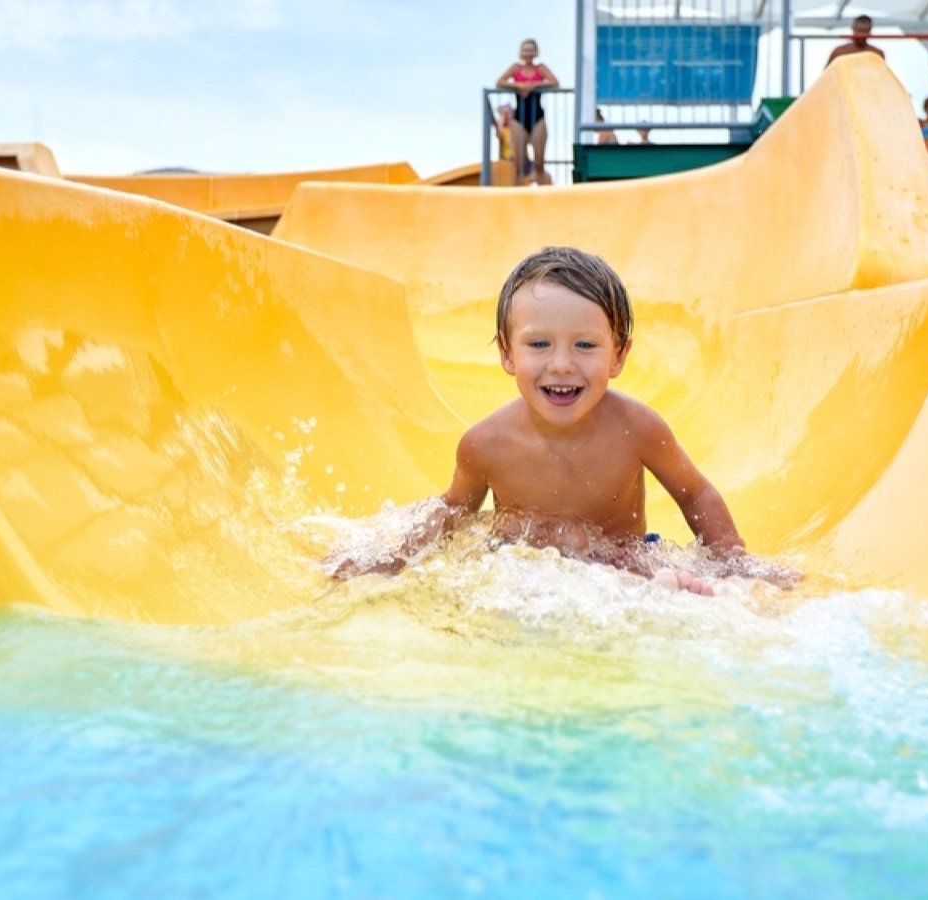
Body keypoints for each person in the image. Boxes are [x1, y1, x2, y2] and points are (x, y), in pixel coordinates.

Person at [329, 246, 785, 596]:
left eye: (585, 346)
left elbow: (694, 492)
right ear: (508, 354)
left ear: (618, 355)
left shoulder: (637, 428)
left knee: (641, 583)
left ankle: (665, 591)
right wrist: (389, 558)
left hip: (621, 564)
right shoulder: (485, 444)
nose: (562, 364)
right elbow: (454, 510)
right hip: (523, 569)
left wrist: (735, 562)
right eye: (539, 345)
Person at [496, 38, 559, 186]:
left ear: (535, 52)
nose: (528, 52)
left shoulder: (541, 69)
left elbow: (555, 82)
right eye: (525, 49)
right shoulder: (516, 68)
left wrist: (535, 85)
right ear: (521, 52)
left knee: (539, 161)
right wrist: (519, 85)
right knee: (519, 162)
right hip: (519, 118)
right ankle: (518, 192)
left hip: (537, 117)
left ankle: (542, 192)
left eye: (531, 49)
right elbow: (500, 82)